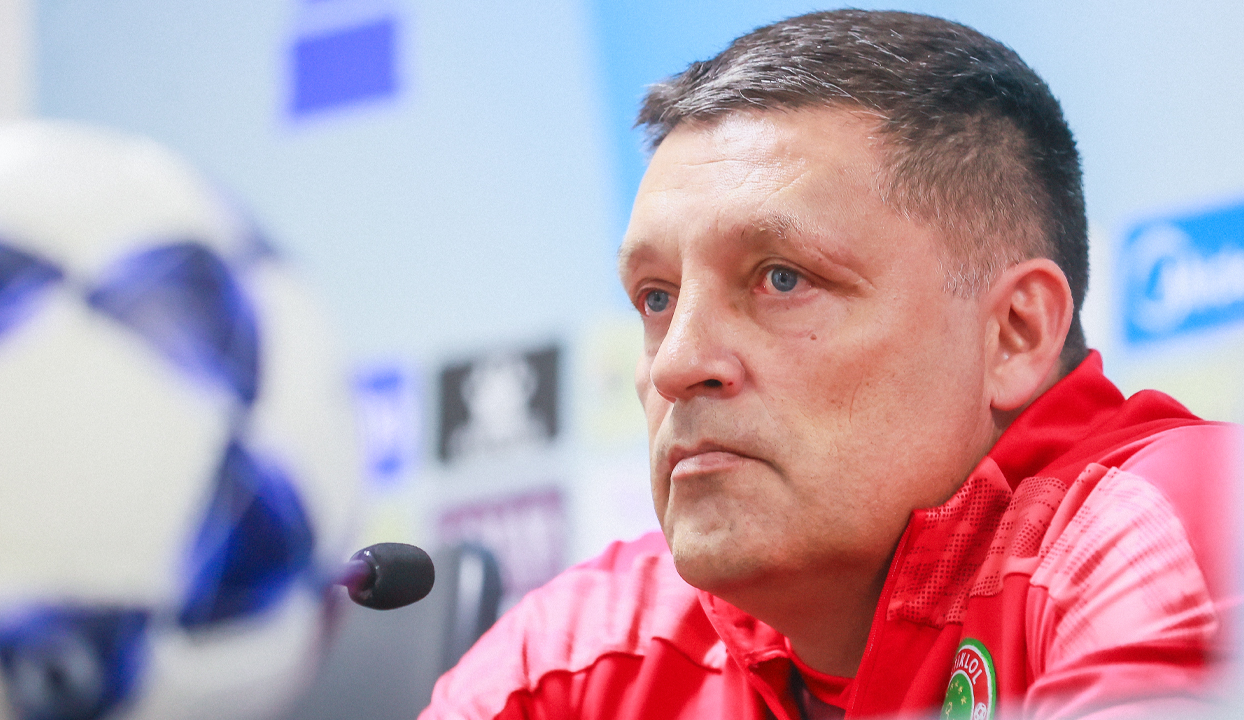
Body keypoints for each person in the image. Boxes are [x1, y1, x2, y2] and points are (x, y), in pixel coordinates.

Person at [420, 9, 1240, 719]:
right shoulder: (585, 655)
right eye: (657, 298)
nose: (676, 364)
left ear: (1014, 334)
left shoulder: (1170, 533)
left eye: (782, 279)